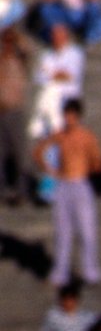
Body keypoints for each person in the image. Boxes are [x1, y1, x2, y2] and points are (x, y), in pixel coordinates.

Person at [33, 98, 101, 287]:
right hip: (63, 185)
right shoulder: (60, 135)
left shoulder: (87, 136)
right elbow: (38, 151)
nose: (69, 119)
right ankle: (59, 274)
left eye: (72, 116)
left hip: (80, 184)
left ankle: (91, 273)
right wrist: (51, 170)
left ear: (78, 117)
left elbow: (97, 161)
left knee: (87, 231)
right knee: (62, 232)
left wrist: (86, 170)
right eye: (66, 115)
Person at [0, 27, 30, 205]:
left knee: (19, 153)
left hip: (15, 110)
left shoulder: (19, 61)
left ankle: (21, 190)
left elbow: (29, 51)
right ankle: (3, 190)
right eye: (5, 41)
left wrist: (17, 38)